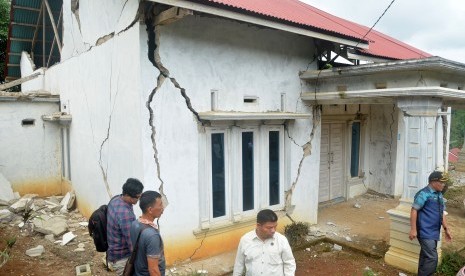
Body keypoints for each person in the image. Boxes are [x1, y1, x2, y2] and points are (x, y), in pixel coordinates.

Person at [409, 170, 452, 276]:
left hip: (434, 231)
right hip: (424, 230)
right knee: (432, 257)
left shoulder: (439, 195)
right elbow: (414, 210)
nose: (443, 185)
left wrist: (446, 229)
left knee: (425, 256)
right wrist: (413, 229)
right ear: (433, 182)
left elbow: (441, 212)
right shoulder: (424, 194)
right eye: (441, 182)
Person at [233, 209, 296, 276]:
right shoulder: (245, 240)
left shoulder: (282, 240)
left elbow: (289, 263)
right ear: (258, 225)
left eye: (275, 226)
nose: (273, 230)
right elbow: (239, 265)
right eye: (269, 227)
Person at [107, 178, 144, 275]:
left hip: (112, 249)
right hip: (122, 258)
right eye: (137, 197)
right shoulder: (125, 215)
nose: (138, 200)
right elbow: (132, 244)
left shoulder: (115, 199)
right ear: (127, 195)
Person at [130, 191, 165, 276]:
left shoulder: (135, 224)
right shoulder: (152, 236)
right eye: (160, 205)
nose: (162, 207)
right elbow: (153, 270)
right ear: (150, 210)